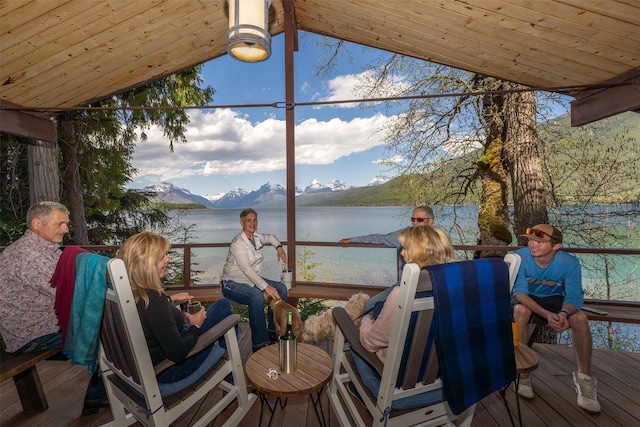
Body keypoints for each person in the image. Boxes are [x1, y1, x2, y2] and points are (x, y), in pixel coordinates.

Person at [0, 201, 107, 415]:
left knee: (110, 327)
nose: (66, 229)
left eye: (65, 224)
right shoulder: (29, 256)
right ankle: (96, 400)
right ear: (37, 223)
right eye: (60, 224)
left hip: (41, 324)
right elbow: (71, 293)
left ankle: (102, 395)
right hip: (31, 334)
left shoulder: (44, 249)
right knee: (110, 335)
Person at [354, 225, 455, 409]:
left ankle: (363, 389)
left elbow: (370, 343)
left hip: (401, 380)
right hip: (444, 376)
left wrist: (366, 322)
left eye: (405, 249)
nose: (401, 254)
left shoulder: (401, 294)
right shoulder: (458, 288)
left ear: (418, 254)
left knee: (356, 341)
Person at [117, 231, 233, 389]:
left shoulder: (127, 293)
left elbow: (147, 315)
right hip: (170, 370)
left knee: (220, 306)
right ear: (146, 265)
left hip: (141, 369)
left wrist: (170, 299)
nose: (168, 259)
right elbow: (178, 353)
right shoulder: (154, 300)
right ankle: (233, 379)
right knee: (223, 306)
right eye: (162, 257)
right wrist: (195, 326)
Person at [512, 224, 601, 413]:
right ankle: (524, 373)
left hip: (555, 300)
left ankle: (585, 380)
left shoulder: (569, 263)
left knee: (580, 319)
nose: (533, 245)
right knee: (520, 310)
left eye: (540, 242)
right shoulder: (519, 258)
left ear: (556, 247)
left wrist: (562, 314)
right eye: (531, 240)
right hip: (528, 298)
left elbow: (574, 297)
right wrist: (546, 315)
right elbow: (519, 293)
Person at [339, 205, 435, 310]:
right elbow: (379, 238)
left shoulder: (437, 240)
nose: (415, 222)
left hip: (416, 286)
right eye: (413, 219)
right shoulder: (405, 235)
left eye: (420, 219)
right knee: (371, 306)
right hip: (408, 284)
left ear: (430, 221)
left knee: (371, 308)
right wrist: (352, 240)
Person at [221, 208, 289, 352]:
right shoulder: (238, 243)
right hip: (232, 283)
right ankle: (260, 344)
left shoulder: (257, 237)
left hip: (251, 280)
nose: (252, 223)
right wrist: (265, 287)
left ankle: (273, 332)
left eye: (255, 220)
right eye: (248, 220)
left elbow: (271, 237)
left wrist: (279, 248)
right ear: (242, 223)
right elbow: (247, 269)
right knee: (257, 297)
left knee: (281, 290)